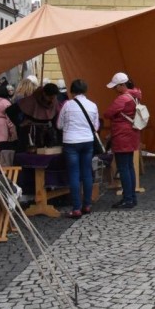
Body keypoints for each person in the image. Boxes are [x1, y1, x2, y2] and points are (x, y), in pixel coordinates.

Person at [56, 79, 99, 219]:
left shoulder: (67, 105)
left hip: (71, 141)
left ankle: (76, 208)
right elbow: (96, 126)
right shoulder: (93, 105)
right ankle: (87, 204)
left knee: (74, 173)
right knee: (86, 172)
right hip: (87, 141)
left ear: (72, 90)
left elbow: (59, 125)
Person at [104, 72, 142, 209]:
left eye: (115, 87)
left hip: (122, 135)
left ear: (122, 85)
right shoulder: (135, 96)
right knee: (129, 166)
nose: (114, 90)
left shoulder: (122, 99)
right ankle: (132, 197)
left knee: (123, 168)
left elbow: (108, 113)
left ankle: (128, 198)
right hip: (132, 134)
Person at [6, 83, 61, 151]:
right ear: (44, 94)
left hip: (48, 135)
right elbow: (10, 110)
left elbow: (55, 119)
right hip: (31, 134)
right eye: (50, 98)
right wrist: (19, 123)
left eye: (54, 98)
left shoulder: (54, 101)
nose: (52, 100)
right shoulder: (30, 100)